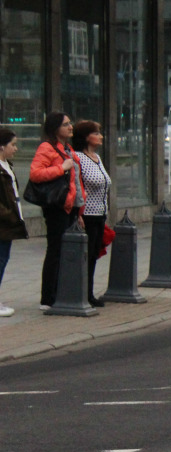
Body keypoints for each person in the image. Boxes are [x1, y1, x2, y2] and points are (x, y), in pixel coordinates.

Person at [29, 111, 86, 310]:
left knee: (66, 250)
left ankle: (62, 292)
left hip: (70, 206)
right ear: (55, 129)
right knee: (55, 249)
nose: (71, 127)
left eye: (71, 123)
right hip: (56, 206)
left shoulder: (67, 148)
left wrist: (79, 212)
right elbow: (35, 174)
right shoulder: (47, 148)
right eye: (66, 124)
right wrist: (61, 168)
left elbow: (76, 183)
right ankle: (48, 297)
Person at [71, 120, 111, 307]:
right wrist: (78, 213)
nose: (100, 136)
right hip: (86, 214)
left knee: (94, 253)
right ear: (86, 136)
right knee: (86, 255)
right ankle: (83, 293)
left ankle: (89, 292)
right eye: (96, 133)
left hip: (100, 213)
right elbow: (78, 186)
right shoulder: (78, 157)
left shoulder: (97, 157)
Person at [0, 128, 29, 317]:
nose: (16, 148)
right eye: (13, 144)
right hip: (3, 223)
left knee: (3, 259)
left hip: (9, 224)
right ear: (2, 146)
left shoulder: (7, 166)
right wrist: (10, 215)